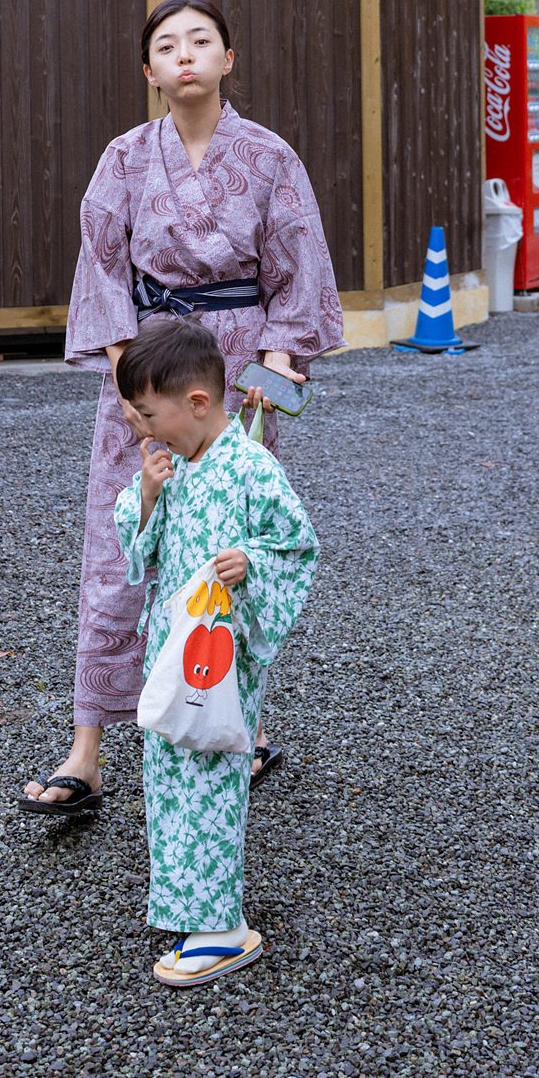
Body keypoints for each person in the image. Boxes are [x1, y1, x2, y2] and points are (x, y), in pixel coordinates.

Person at [19, 0, 343, 815]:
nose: (185, 55)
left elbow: (297, 274)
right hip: (145, 367)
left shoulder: (269, 157)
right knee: (120, 539)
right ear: (148, 70)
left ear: (227, 59)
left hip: (234, 373)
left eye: (200, 41)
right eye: (167, 46)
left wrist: (272, 375)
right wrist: (126, 381)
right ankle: (87, 749)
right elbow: (101, 269)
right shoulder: (124, 157)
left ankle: (236, 723)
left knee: (228, 548)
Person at [112, 318, 318, 986]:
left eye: (149, 415)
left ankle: (221, 927)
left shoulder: (250, 465)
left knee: (207, 778)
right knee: (168, 774)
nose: (143, 430)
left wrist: (251, 560)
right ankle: (189, 908)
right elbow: (135, 538)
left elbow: (296, 543)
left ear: (197, 402)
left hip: (220, 657)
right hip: (174, 646)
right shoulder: (172, 464)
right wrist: (147, 494)